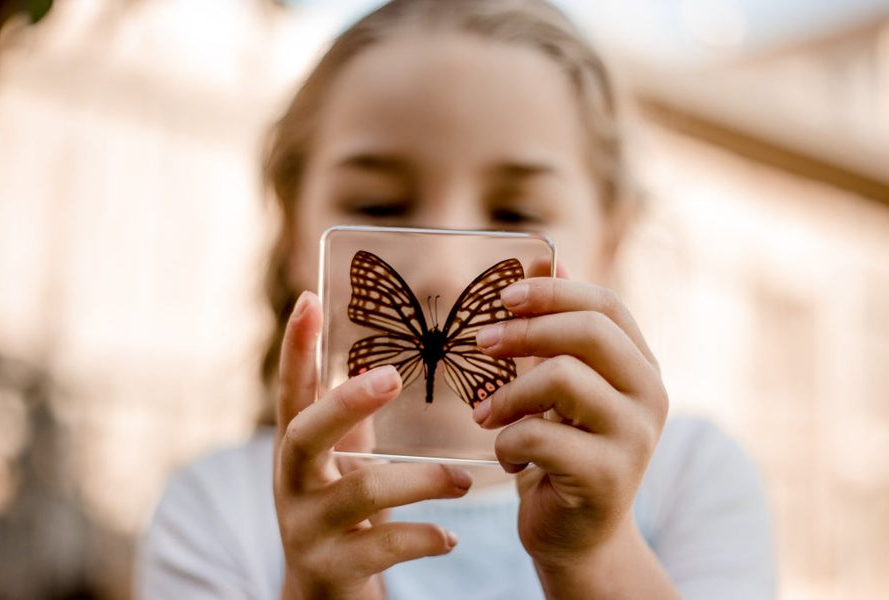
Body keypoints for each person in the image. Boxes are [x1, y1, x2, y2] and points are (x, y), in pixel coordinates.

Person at [135, 0, 775, 598]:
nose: (442, 268)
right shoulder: (214, 510)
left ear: (611, 241)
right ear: (293, 233)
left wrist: (596, 557)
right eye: (379, 206)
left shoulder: (694, 479)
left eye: (514, 213)